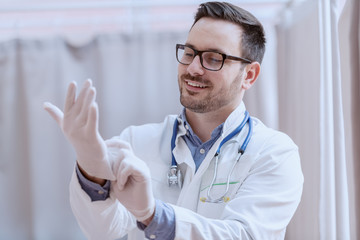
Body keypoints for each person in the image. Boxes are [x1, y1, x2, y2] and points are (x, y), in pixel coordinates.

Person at [44, 2, 303, 239]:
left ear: (249, 75)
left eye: (213, 58)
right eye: (189, 53)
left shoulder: (274, 153)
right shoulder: (135, 141)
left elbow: (245, 235)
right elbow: (105, 231)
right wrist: (92, 174)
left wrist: (152, 215)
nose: (192, 68)